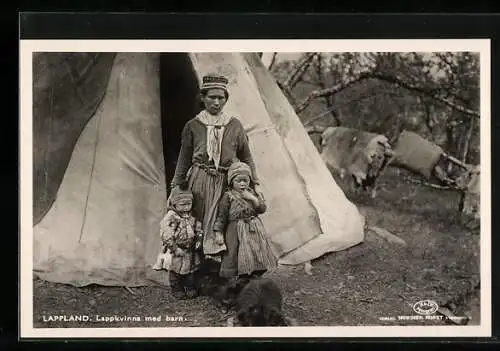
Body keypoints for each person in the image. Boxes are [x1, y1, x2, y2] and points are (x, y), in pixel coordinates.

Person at [169, 73, 263, 284]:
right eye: (212, 97)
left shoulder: (235, 125)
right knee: (199, 226)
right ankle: (199, 275)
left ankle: (224, 275)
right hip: (200, 181)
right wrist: (176, 185)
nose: (216, 102)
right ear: (203, 98)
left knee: (225, 226)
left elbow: (247, 156)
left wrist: (255, 183)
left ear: (226, 99)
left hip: (225, 184)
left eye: (221, 98)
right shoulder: (193, 126)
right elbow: (184, 159)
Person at [213, 162, 278, 309]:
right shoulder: (228, 196)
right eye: (238, 180)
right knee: (234, 261)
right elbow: (221, 217)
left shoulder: (252, 193)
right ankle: (230, 298)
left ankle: (251, 291)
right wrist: (218, 233)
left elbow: (262, 209)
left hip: (253, 231)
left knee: (257, 260)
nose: (242, 183)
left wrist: (253, 199)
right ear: (231, 181)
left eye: (245, 180)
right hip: (235, 232)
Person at [159, 181, 204, 299]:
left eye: (188, 204)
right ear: (174, 204)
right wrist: (174, 248)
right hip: (176, 249)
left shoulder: (191, 216)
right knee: (175, 270)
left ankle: (190, 287)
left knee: (190, 270)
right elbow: (166, 233)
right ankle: (176, 289)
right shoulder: (171, 217)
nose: (186, 207)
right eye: (182, 204)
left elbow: (197, 227)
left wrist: (199, 237)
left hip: (189, 250)